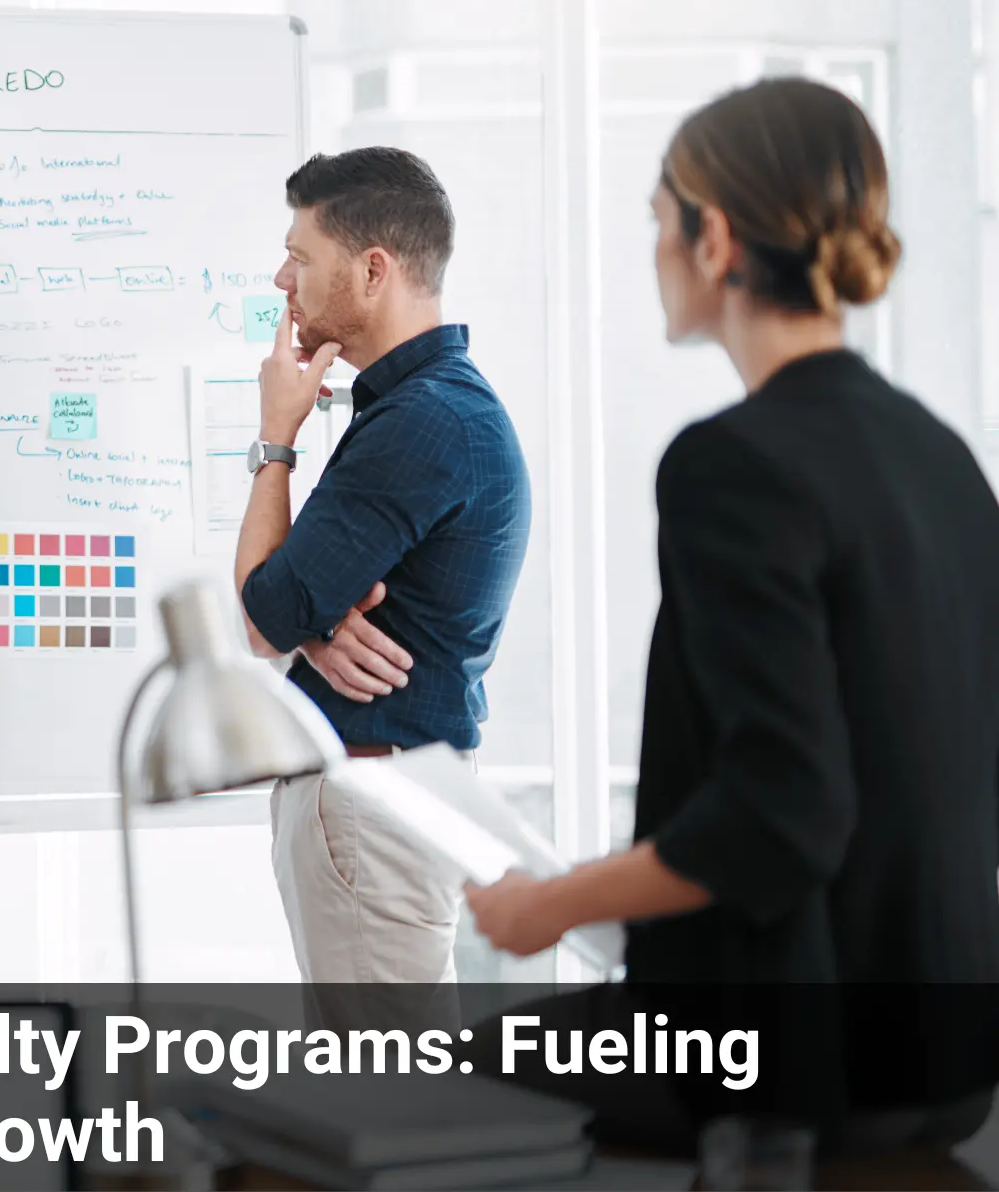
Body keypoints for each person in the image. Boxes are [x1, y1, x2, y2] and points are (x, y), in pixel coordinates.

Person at [465, 77, 999, 1151]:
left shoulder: (730, 465)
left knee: (431, 1066)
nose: (653, 247)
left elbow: (781, 814)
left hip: (791, 1069)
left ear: (712, 238)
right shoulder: (940, 460)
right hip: (950, 1060)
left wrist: (552, 906)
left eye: (658, 220)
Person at [234, 148, 533, 991]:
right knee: (381, 1089)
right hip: (383, 799)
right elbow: (293, 609)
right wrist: (318, 623)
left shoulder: (423, 424)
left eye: (301, 255)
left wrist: (276, 438)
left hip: (377, 803)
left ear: (373, 270)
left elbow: (263, 615)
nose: (282, 278)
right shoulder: (428, 409)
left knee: (385, 1094)